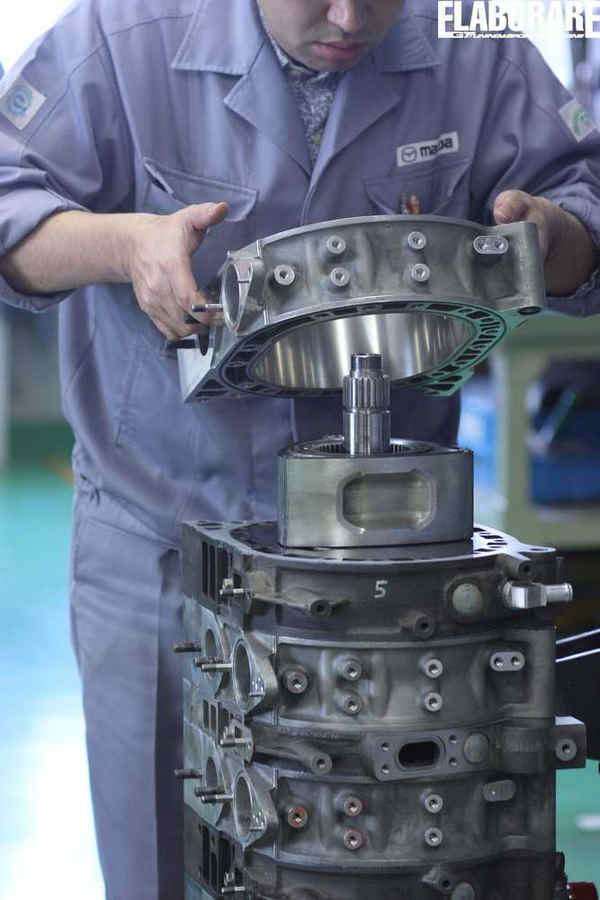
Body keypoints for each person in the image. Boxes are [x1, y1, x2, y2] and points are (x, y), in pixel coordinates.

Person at [1, 1, 599, 897]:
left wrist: (555, 238)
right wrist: (126, 245)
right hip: (159, 534)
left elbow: (585, 196)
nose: (350, 19)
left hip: (391, 563)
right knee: (158, 853)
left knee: (409, 858)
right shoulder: (119, 36)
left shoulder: (473, 43)